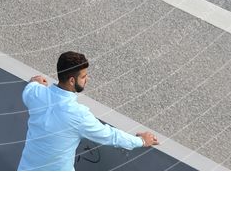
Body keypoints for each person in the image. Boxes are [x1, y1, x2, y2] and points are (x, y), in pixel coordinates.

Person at [17, 51, 159, 171]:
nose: (87, 79)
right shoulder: (79, 115)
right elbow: (111, 136)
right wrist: (141, 141)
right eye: (83, 76)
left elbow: (31, 86)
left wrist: (35, 81)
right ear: (72, 81)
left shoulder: (34, 93)